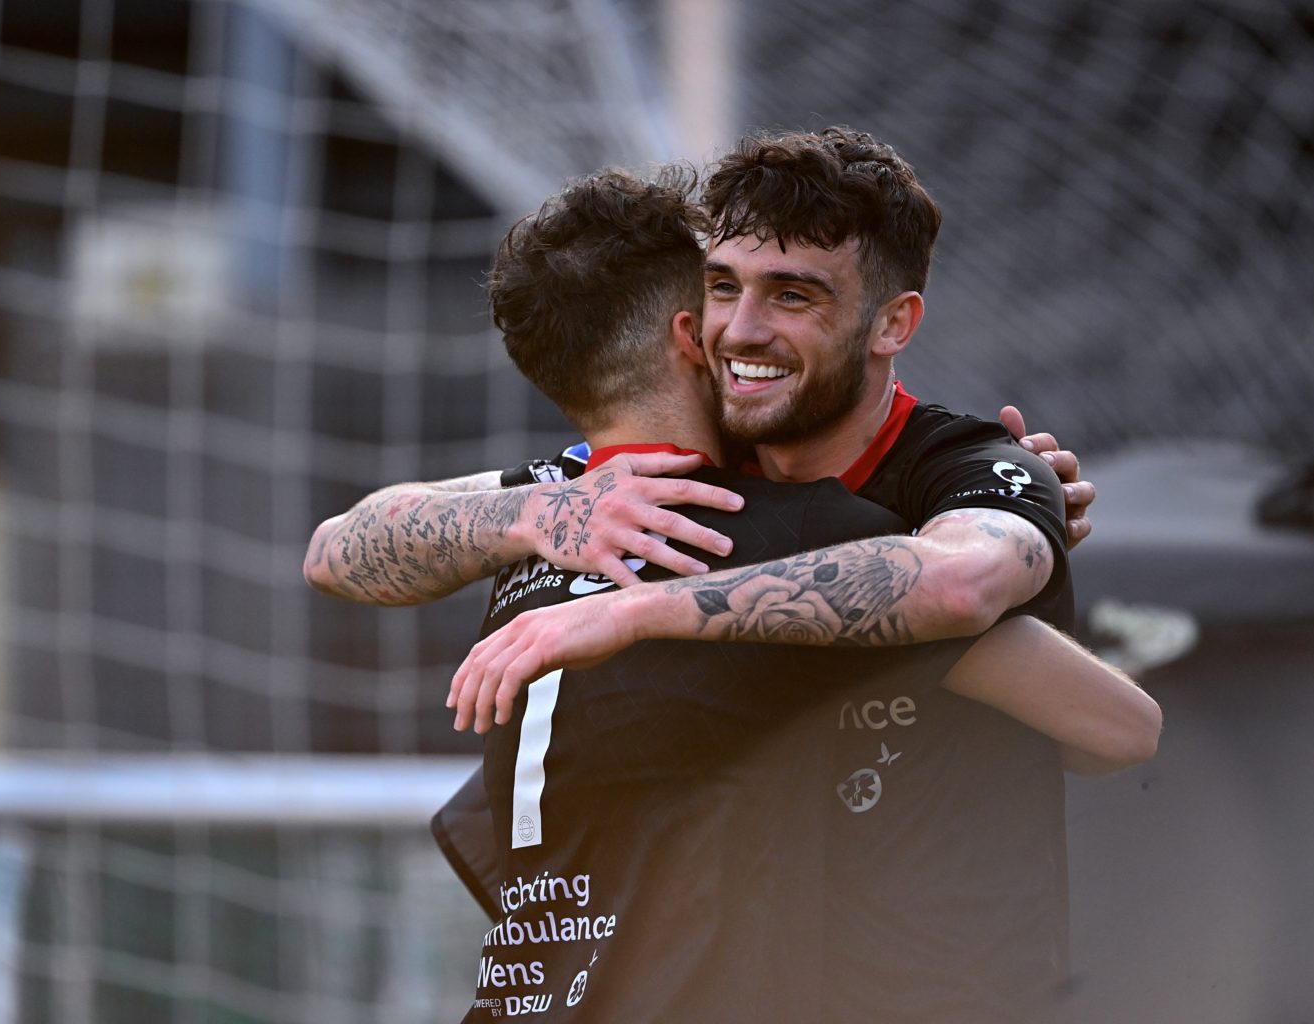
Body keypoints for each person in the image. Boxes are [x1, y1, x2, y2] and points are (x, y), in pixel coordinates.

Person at [307, 147, 1157, 1020]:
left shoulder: (940, 473)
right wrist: (554, 531)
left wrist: (614, 588)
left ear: (893, 322)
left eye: (792, 294)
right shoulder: (687, 512)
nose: (742, 328)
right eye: (720, 288)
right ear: (689, 325)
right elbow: (337, 547)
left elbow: (337, 547)